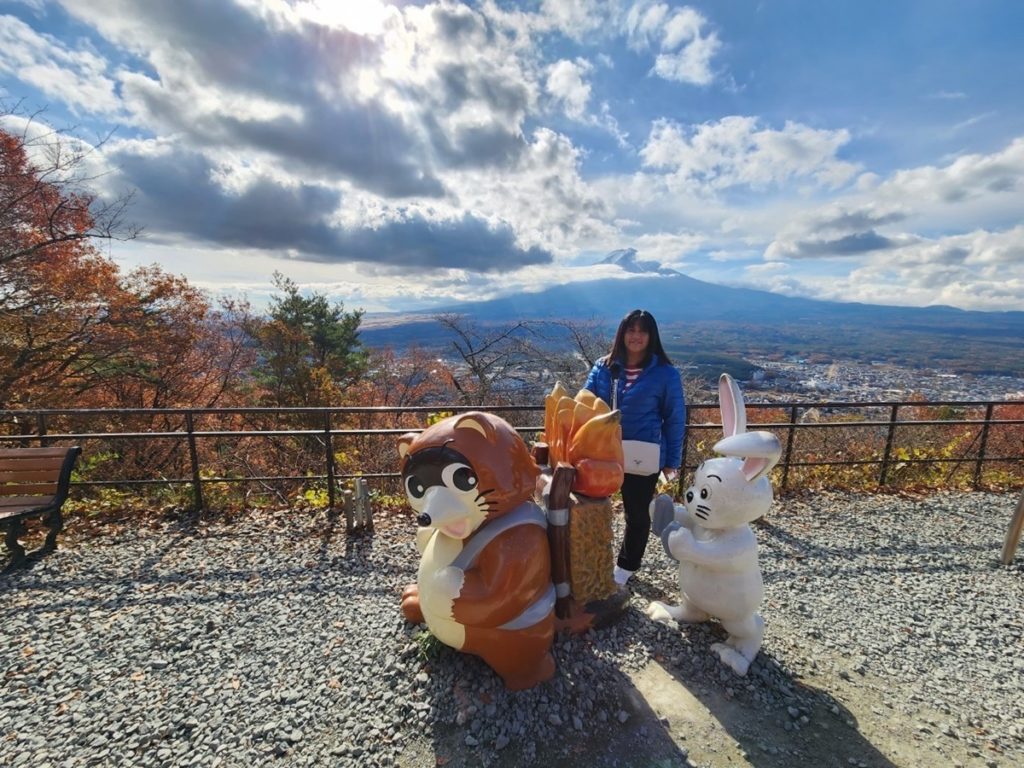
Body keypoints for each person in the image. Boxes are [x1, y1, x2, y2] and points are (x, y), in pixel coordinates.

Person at [584, 309, 686, 586]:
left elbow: (675, 419)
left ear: (652, 336)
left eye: (643, 330)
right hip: (602, 452)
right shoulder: (603, 368)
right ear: (622, 333)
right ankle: (589, 560)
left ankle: (626, 566)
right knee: (590, 507)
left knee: (637, 513)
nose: (636, 336)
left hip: (644, 452)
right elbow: (584, 405)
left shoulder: (665, 374)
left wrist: (671, 461)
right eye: (631, 329)